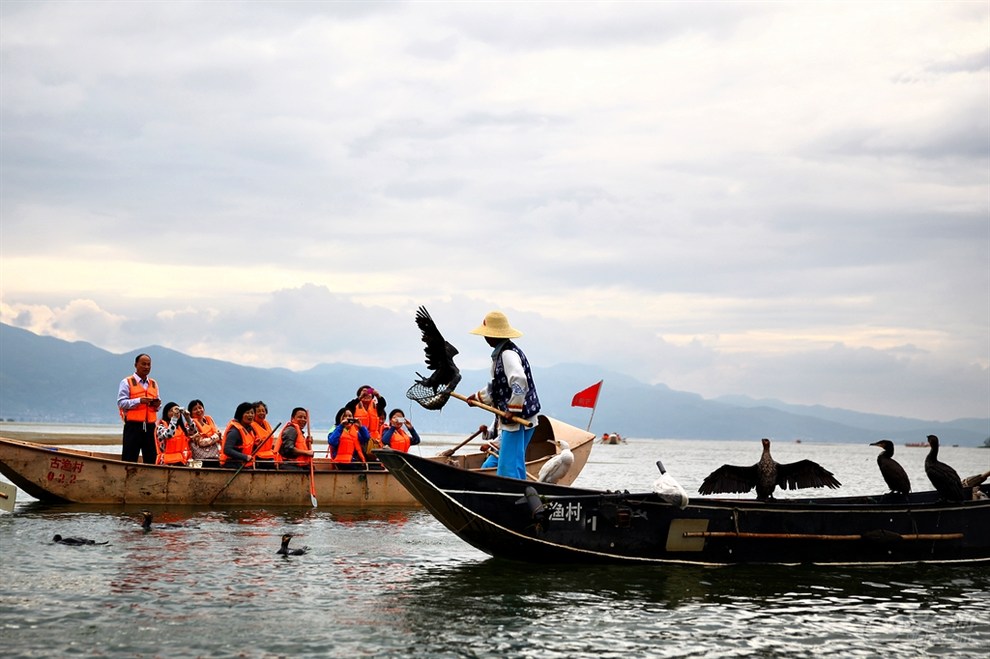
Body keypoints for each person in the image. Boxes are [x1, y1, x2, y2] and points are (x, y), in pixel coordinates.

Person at [466, 311, 541, 480]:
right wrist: (478, 398)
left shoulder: (508, 354)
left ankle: (510, 500)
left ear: (492, 336)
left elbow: (519, 380)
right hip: (526, 415)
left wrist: (513, 408)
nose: (485, 338)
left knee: (508, 467)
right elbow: (498, 386)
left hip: (517, 419)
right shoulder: (503, 354)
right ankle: (520, 493)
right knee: (516, 463)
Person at [117, 353, 162, 463]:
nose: (146, 367)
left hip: (150, 427)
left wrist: (157, 405)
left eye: (148, 364)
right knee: (129, 458)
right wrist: (139, 401)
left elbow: (158, 405)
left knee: (151, 458)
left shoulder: (153, 383)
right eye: (143, 364)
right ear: (136, 365)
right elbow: (121, 402)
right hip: (133, 427)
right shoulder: (127, 382)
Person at [346, 385, 386, 459]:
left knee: (372, 458)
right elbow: (347, 407)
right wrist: (360, 397)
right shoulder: (354, 406)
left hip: (373, 439)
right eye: (364, 393)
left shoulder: (376, 407)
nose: (366, 395)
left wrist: (378, 395)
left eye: (369, 392)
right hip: (358, 438)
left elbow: (383, 404)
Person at [220, 402, 257, 469]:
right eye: (247, 413)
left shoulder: (249, 429)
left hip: (244, 464)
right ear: (240, 414)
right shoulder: (235, 431)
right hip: (232, 465)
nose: (250, 415)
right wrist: (245, 457)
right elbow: (227, 450)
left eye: (252, 413)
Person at [187, 399, 222, 467]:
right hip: (200, 459)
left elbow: (218, 434)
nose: (198, 410)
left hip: (214, 456)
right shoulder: (190, 426)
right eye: (195, 409)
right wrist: (216, 437)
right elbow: (201, 442)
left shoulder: (209, 421)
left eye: (200, 407)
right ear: (190, 413)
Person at [251, 400, 277, 468]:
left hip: (269, 456)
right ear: (253, 413)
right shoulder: (250, 426)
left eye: (263, 411)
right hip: (257, 458)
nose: (261, 413)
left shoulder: (267, 424)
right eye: (259, 411)